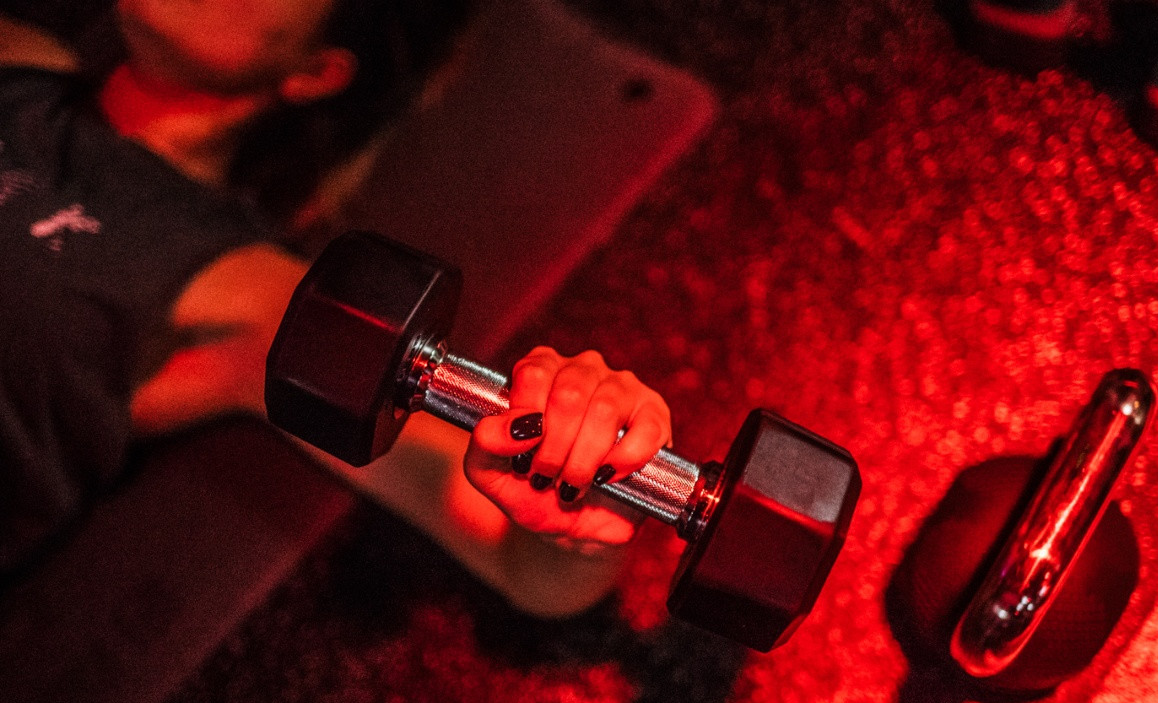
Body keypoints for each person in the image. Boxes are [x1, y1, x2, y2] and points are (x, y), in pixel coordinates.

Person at [0, 1, 672, 616]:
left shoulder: (250, 290)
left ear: (315, 72)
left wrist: (582, 491)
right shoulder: (21, 57)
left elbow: (526, 569)